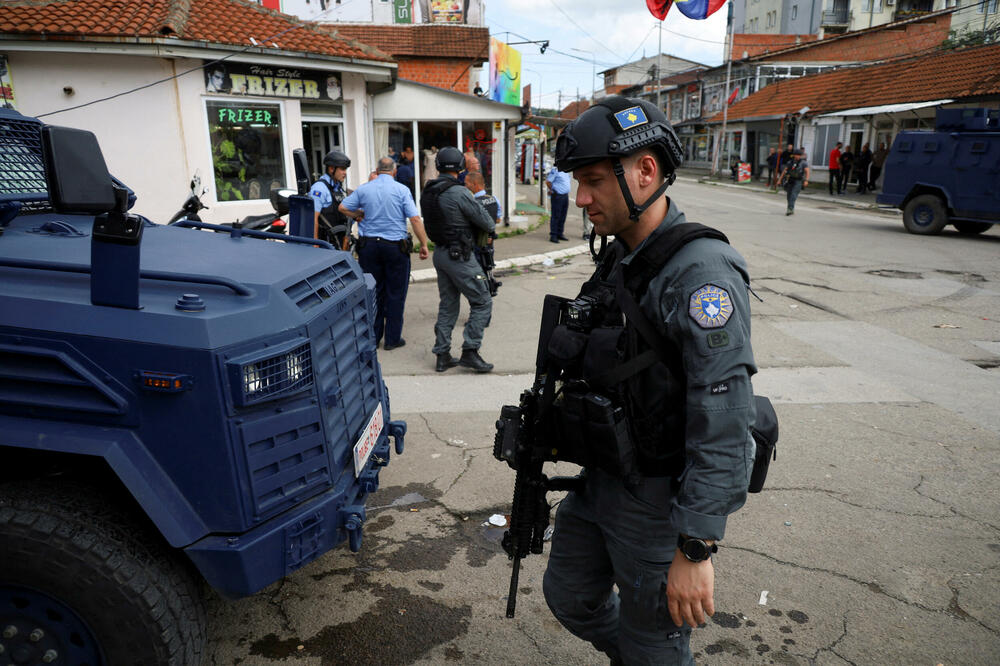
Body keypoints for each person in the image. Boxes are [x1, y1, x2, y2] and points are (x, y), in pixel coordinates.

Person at [542, 95, 758, 665]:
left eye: (592, 181)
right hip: (603, 479)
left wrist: (695, 545)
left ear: (645, 172)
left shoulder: (700, 271)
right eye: (576, 183)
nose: (580, 198)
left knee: (654, 642)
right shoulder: (622, 256)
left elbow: (725, 412)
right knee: (568, 597)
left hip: (657, 503)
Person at [339, 157, 430, 350]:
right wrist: (424, 244)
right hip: (394, 248)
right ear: (394, 171)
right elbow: (414, 218)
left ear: (377, 170)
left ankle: (373, 336)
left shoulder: (364, 189)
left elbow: (343, 207)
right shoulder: (401, 190)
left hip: (369, 248)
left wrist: (357, 215)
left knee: (374, 291)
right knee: (395, 293)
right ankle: (392, 339)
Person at [423, 147, 496, 373]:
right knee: (483, 301)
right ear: (461, 167)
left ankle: (442, 354)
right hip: (460, 256)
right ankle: (470, 351)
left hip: (441, 254)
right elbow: (488, 223)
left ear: (438, 166)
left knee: (448, 304)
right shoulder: (460, 192)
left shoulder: (429, 190)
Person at [309, 150, 352, 248]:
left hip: (338, 243)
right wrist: (315, 245)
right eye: (342, 169)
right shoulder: (319, 188)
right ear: (331, 169)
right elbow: (313, 218)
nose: (345, 173)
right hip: (325, 244)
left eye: (345, 169)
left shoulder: (338, 187)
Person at [779, 148, 810, 215]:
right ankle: (791, 209)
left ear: (800, 155)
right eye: (796, 155)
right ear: (794, 155)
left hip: (798, 181)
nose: (797, 156)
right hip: (790, 180)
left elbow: (807, 172)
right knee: (789, 196)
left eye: (798, 155)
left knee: (793, 194)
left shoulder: (803, 163)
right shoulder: (790, 162)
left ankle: (790, 209)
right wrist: (779, 180)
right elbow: (784, 171)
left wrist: (806, 180)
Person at [546, 163, 571, 243]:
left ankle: (560, 233)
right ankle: (553, 235)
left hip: (565, 196)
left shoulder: (566, 171)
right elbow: (548, 182)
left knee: (563, 215)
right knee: (556, 216)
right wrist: (552, 190)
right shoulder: (555, 170)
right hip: (558, 195)